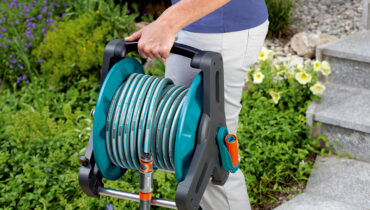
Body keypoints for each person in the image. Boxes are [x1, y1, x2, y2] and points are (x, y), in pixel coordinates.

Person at [125, 0, 269, 209]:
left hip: (222, 29)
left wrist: (168, 23)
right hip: (191, 22)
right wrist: (170, 23)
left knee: (209, 159)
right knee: (179, 144)